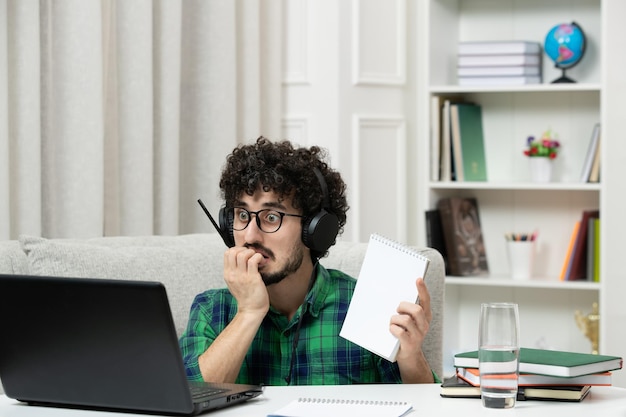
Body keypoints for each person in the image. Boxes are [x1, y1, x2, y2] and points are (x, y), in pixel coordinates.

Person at [179, 136, 437, 385]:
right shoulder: (211, 309)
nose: (250, 235)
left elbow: (425, 409)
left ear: (314, 230)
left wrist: (411, 357)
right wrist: (249, 312)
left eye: (271, 217)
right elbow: (190, 400)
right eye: (242, 215)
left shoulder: (366, 305)